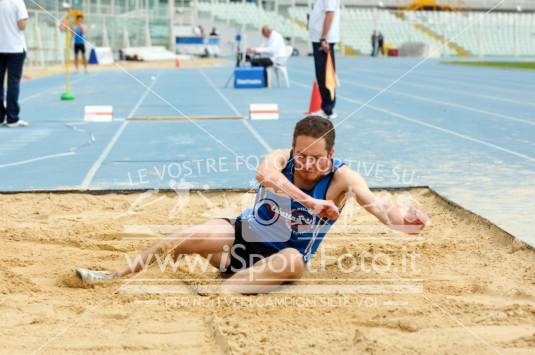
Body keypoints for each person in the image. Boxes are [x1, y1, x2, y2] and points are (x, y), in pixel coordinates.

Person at [76, 116, 428, 294]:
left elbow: (380, 208)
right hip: (238, 243)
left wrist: (406, 225)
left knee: (294, 259)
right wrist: (309, 201)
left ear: (331, 154)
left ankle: (221, 292)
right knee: (188, 233)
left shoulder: (343, 179)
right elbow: (265, 175)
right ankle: (113, 275)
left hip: (278, 263)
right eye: (300, 156)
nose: (305, 164)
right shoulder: (280, 159)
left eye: (314, 158)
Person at [308, 0, 341, 119]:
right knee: (321, 75)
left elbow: (330, 14)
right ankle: (326, 108)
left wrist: (323, 38)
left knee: (325, 75)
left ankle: (329, 109)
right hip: (319, 39)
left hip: (324, 41)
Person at [0, 0, 29, 128]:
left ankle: (0, 117)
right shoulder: (17, 2)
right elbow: (22, 25)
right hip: (15, 48)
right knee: (13, 83)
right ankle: (12, 118)